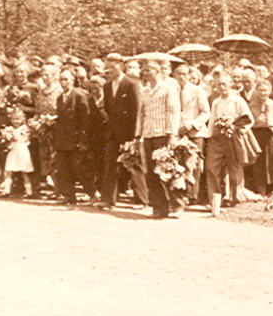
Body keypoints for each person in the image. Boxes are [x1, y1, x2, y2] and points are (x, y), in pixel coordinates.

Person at [98, 53, 147, 209]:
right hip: (112, 132)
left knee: (133, 165)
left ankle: (141, 200)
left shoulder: (131, 84)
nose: (109, 71)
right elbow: (107, 108)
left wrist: (136, 135)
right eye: (107, 68)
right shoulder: (106, 86)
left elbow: (136, 110)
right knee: (109, 165)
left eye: (112, 67)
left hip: (128, 132)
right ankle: (108, 199)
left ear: (121, 66)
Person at [136, 60, 184, 218]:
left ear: (157, 72)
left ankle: (177, 205)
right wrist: (138, 135)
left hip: (163, 134)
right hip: (149, 135)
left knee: (168, 171)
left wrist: (172, 135)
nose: (145, 73)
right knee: (152, 173)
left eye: (148, 70)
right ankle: (159, 208)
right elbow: (141, 114)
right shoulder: (144, 91)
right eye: (144, 71)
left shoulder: (168, 89)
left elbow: (173, 112)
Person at [205, 71, 254, 213]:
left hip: (234, 137)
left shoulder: (238, 100)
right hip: (218, 138)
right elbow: (212, 120)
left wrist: (235, 127)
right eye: (218, 84)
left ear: (230, 84)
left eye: (224, 84)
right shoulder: (215, 102)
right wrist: (209, 137)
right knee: (211, 167)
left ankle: (234, 198)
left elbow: (249, 119)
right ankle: (214, 199)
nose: (222, 87)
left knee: (234, 168)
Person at [53, 69, 94, 205]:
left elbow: (86, 122)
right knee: (63, 168)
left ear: (72, 80)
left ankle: (93, 194)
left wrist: (83, 141)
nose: (63, 82)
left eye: (66, 79)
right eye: (61, 79)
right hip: (62, 140)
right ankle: (69, 196)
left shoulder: (79, 96)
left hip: (76, 140)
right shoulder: (60, 98)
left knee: (80, 168)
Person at [175, 63, 210, 203]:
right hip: (179, 130)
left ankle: (192, 195)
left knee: (194, 163)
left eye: (185, 74)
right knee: (179, 162)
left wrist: (191, 124)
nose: (182, 77)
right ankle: (180, 193)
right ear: (175, 75)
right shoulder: (173, 90)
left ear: (189, 75)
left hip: (195, 131)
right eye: (179, 74)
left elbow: (206, 112)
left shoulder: (197, 90)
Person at [247, 77, 273, 195]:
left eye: (265, 90)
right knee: (259, 164)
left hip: (272, 135)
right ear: (257, 91)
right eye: (260, 90)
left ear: (270, 91)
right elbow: (248, 122)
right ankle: (262, 193)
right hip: (257, 135)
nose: (263, 93)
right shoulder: (251, 105)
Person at [3, 107, 36, 197]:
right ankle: (6, 191)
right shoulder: (9, 129)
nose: (15, 121)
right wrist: (8, 141)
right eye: (13, 119)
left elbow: (27, 139)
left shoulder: (25, 129)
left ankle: (29, 192)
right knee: (8, 171)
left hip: (22, 151)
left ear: (22, 119)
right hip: (13, 151)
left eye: (18, 119)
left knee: (24, 172)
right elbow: (7, 141)